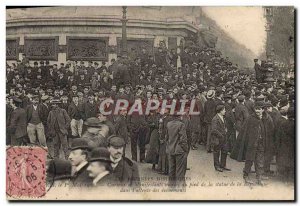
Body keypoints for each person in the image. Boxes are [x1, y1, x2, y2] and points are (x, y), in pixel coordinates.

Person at [231, 101, 266, 185]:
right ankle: (246, 176)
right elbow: (245, 132)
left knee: (259, 161)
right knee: (249, 161)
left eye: (260, 109)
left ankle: (259, 178)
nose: (258, 110)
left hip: (260, 144)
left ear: (263, 110)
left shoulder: (263, 118)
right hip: (251, 145)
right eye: (256, 109)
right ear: (254, 109)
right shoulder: (250, 118)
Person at [166, 115, 189, 188]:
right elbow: (183, 139)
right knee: (179, 170)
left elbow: (167, 137)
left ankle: (171, 187)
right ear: (179, 116)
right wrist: (186, 149)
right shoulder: (181, 125)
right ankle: (179, 188)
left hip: (170, 149)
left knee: (171, 169)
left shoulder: (168, 124)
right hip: (179, 150)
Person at [211, 104, 230, 172]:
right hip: (218, 139)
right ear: (220, 111)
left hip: (224, 138)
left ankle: (223, 165)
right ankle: (217, 166)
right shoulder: (215, 119)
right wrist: (221, 135)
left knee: (224, 151)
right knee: (217, 152)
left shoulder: (222, 117)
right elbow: (214, 130)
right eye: (224, 110)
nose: (225, 111)